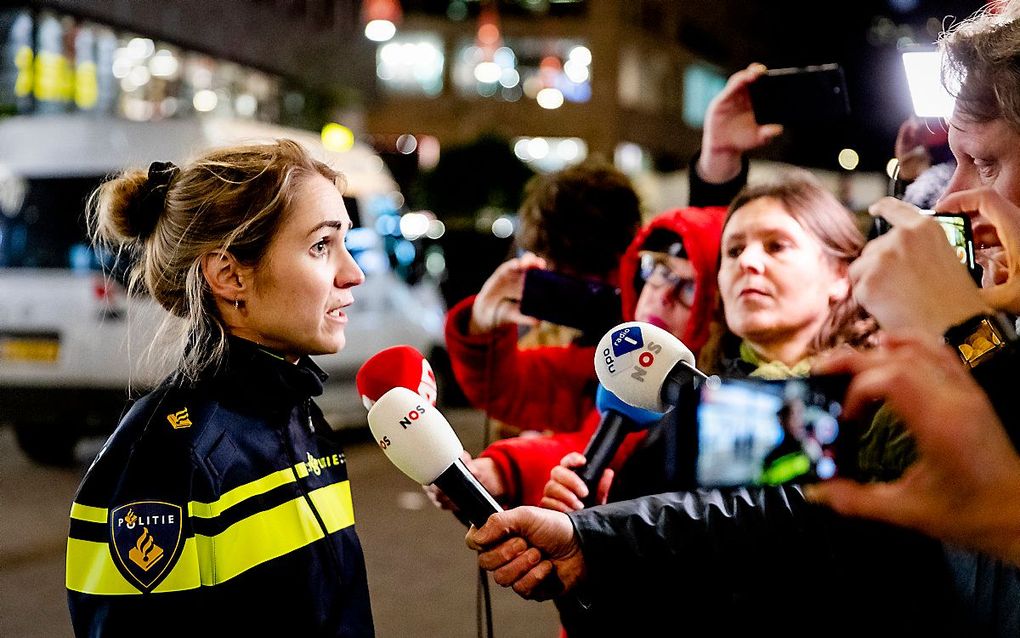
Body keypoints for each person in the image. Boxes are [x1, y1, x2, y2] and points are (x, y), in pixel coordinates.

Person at [65, 140, 374, 636]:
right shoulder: (169, 456)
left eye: (346, 244)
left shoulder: (302, 417)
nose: (352, 274)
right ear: (230, 275)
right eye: (321, 246)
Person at [437, 205, 725, 509]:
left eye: (691, 286)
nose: (663, 294)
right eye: (659, 269)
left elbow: (610, 449)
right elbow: (509, 388)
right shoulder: (616, 354)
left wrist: (504, 470)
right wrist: (482, 323)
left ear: (717, 304)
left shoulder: (704, 397)